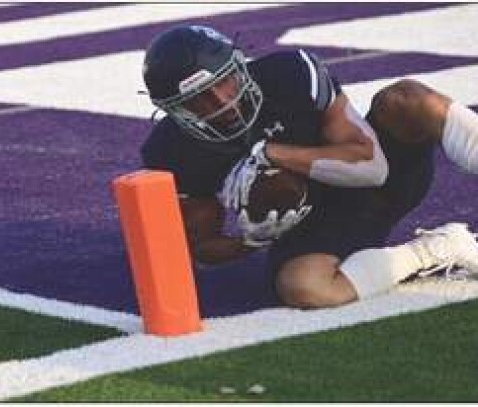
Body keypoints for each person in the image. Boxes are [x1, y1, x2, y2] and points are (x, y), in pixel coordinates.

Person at [139, 24, 478, 309]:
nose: (222, 102)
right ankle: (438, 250)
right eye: (200, 97)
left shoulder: (290, 74)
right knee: (304, 287)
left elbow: (373, 166)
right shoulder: (171, 152)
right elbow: (202, 247)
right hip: (318, 225)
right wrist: (252, 240)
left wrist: (272, 153)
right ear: (174, 109)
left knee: (407, 100)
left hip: (383, 181)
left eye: (223, 82)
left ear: (239, 65)